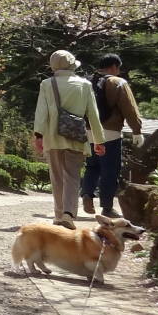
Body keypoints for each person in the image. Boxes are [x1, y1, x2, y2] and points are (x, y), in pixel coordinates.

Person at [33, 50, 106, 229]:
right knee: (72, 176)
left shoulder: (46, 84)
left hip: (53, 137)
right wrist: (99, 140)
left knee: (56, 177)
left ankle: (59, 216)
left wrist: (38, 135)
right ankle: (68, 213)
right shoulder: (84, 85)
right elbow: (93, 115)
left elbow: (41, 112)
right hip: (76, 137)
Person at [80, 53, 144, 218]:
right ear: (115, 66)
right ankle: (107, 208)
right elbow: (129, 108)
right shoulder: (118, 82)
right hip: (110, 133)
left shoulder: (86, 81)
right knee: (110, 170)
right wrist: (136, 129)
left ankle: (87, 194)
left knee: (92, 166)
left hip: (88, 131)